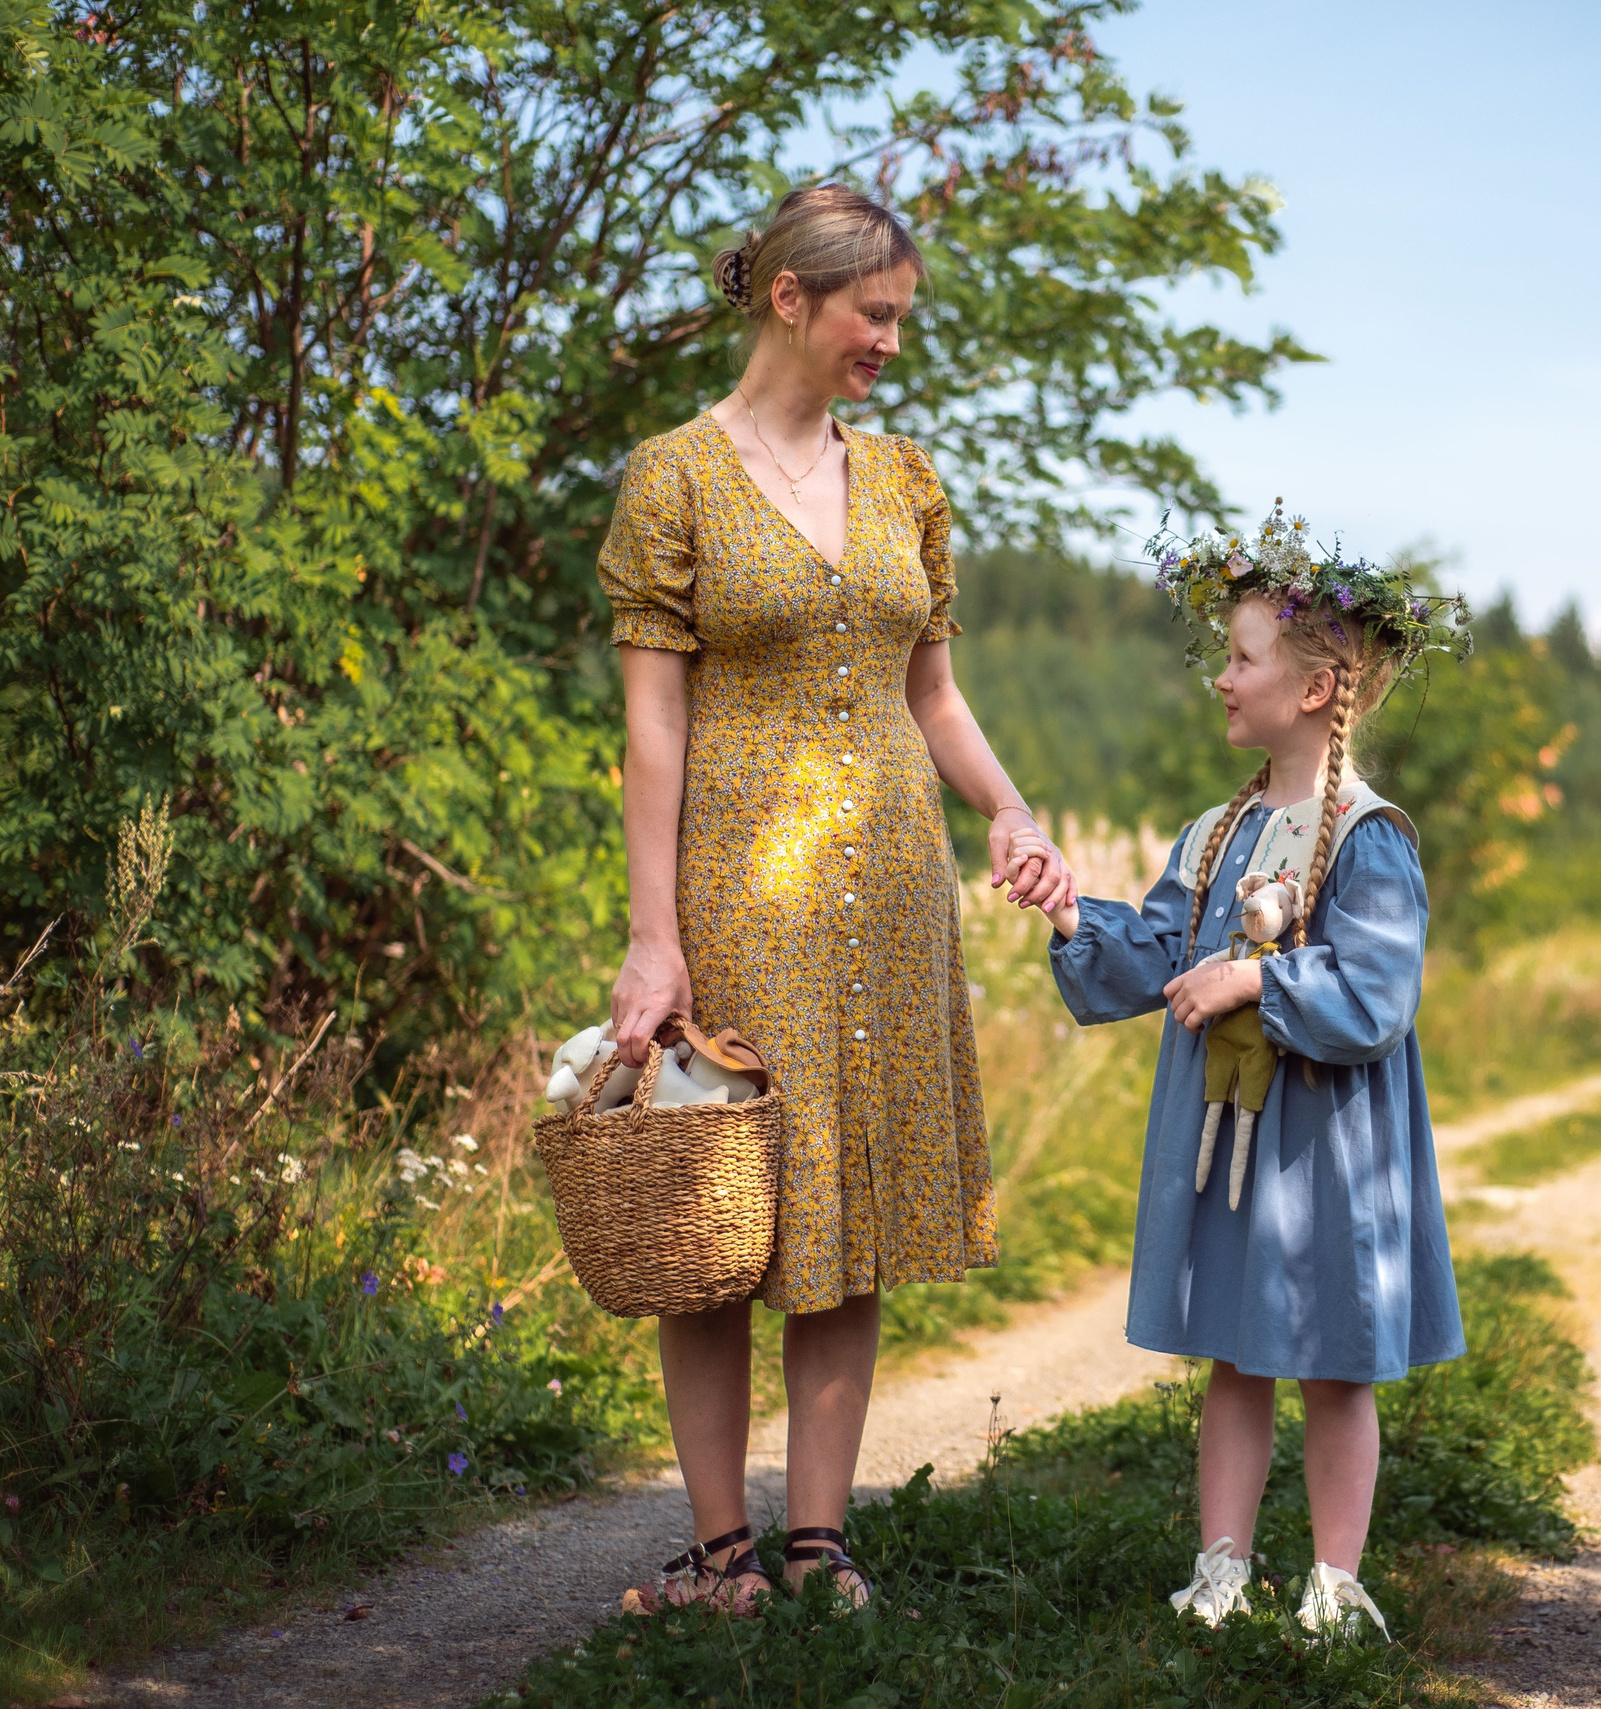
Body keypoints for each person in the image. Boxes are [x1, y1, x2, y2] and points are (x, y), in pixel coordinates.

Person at [595, 183, 1074, 1613]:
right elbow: (652, 727)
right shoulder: (674, 478)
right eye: (876, 313)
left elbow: (935, 694)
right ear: (790, 299)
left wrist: (1011, 811)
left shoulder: (909, 479)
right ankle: (719, 1554)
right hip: (741, 891)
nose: (891, 342)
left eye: (902, 318)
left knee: (847, 1208)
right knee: (713, 1213)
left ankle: (817, 1542)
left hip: (892, 895)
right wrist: (653, 936)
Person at [1019, 509, 1472, 1641]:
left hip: (1322, 1147)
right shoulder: (1215, 835)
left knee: (1333, 1364)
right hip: (1231, 1142)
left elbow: (1376, 993)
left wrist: (1252, 981)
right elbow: (1157, 951)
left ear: (1316, 688)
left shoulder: (1367, 835)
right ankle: (1219, 1567)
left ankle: (1334, 1582)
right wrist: (1072, 910)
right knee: (1234, 1350)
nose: (1220, 677)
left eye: (1241, 658)